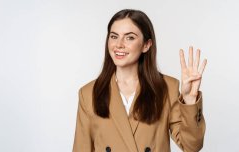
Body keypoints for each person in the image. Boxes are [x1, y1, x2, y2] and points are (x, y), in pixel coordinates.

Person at [72, 9, 207, 152]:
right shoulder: (88, 93)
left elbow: (192, 146)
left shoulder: (167, 88)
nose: (119, 44)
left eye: (129, 37)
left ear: (146, 45)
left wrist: (190, 101)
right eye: (114, 36)